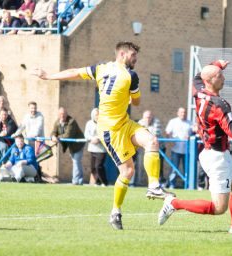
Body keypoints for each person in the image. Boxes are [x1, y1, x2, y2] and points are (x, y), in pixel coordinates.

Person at [32, 41, 174, 231]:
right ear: (122, 54)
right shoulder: (131, 75)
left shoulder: (101, 68)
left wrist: (48, 76)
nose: (136, 59)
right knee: (127, 172)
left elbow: (74, 72)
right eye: (133, 56)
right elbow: (137, 102)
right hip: (110, 130)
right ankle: (115, 212)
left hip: (125, 122)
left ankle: (154, 185)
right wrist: (131, 93)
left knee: (152, 141)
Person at [158, 60, 232, 234]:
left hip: (216, 153)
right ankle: (174, 203)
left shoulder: (198, 92)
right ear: (210, 81)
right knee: (218, 208)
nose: (223, 77)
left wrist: (217, 65)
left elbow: (198, 77)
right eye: (219, 75)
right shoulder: (219, 105)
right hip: (216, 158)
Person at [51, 107, 85, 185]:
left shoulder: (71, 121)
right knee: (77, 162)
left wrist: (57, 137)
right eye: (60, 114)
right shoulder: (57, 122)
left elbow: (68, 135)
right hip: (71, 145)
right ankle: (80, 180)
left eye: (64, 114)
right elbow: (53, 132)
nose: (62, 116)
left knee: (76, 162)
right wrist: (53, 136)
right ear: (58, 114)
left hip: (78, 144)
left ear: (66, 114)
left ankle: (75, 181)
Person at [136, 110, 166, 185]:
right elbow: (138, 133)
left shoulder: (156, 122)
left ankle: (159, 182)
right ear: (143, 117)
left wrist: (144, 133)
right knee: (143, 165)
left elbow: (155, 134)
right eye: (146, 117)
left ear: (152, 117)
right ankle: (141, 182)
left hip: (159, 148)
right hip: (145, 148)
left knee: (158, 166)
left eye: (149, 117)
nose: (148, 119)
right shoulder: (140, 122)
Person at [165, 107, 192, 189]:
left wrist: (190, 136)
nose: (183, 114)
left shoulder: (190, 123)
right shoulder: (173, 122)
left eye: (184, 112)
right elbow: (167, 132)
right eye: (181, 112)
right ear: (178, 113)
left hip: (187, 150)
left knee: (187, 169)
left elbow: (194, 132)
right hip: (175, 149)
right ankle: (172, 185)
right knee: (174, 168)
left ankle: (187, 185)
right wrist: (170, 140)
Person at [84, 108, 108, 186]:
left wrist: (99, 139)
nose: (98, 116)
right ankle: (97, 182)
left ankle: (104, 182)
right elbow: (86, 134)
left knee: (99, 166)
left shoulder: (104, 124)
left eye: (99, 115)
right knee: (93, 167)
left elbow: (105, 134)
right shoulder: (89, 123)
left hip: (101, 149)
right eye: (96, 115)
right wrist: (91, 139)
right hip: (92, 148)